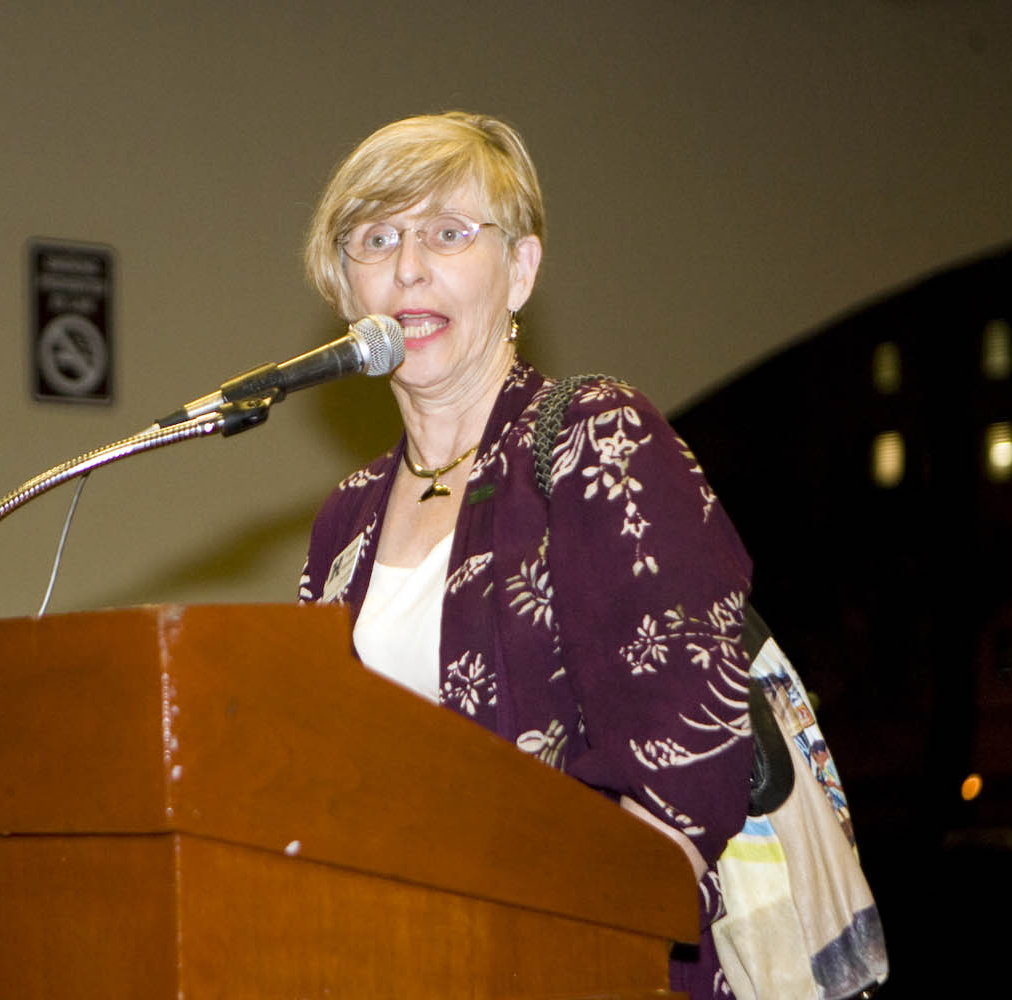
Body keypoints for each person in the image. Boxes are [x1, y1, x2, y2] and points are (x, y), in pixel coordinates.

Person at [297, 111, 755, 999]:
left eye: (447, 233)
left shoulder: (595, 439)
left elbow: (689, 780)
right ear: (348, 290)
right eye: (377, 239)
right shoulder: (346, 518)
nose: (408, 266)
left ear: (521, 270)